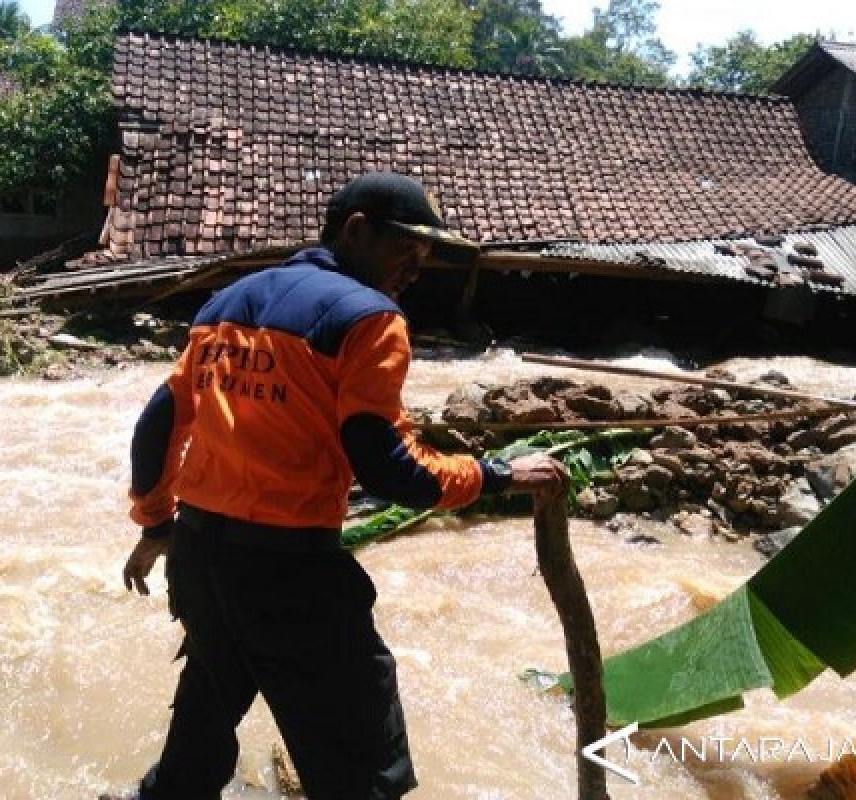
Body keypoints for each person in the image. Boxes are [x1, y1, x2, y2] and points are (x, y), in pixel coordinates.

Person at [112, 172, 569, 800]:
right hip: (289, 572)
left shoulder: (228, 302)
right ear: (356, 230)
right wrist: (495, 476)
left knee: (205, 716)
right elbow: (389, 468)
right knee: (362, 755)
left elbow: (160, 420)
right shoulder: (372, 320)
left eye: (427, 253)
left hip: (200, 557)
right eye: (407, 246)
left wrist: (158, 523)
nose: (417, 264)